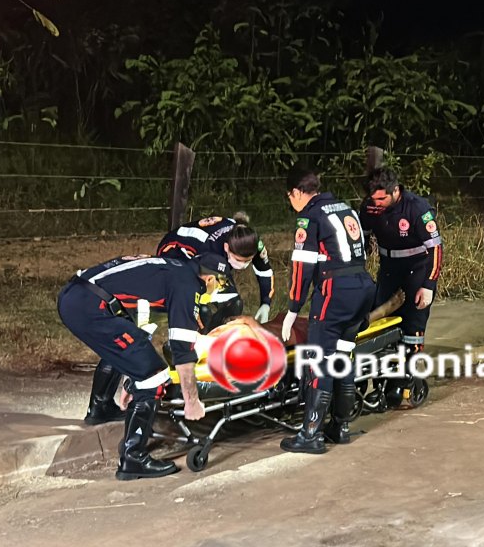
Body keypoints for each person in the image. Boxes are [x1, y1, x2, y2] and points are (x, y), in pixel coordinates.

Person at [79, 214, 272, 425]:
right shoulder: (209, 251)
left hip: (198, 256)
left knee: (231, 303)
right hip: (175, 254)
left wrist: (266, 302)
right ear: (226, 248)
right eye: (239, 260)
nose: (243, 265)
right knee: (144, 326)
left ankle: (203, 354)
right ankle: (100, 404)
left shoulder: (249, 240)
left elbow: (263, 269)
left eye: (247, 260)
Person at [58, 254, 214, 480]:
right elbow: (182, 351)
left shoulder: (166, 269)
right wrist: (191, 401)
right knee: (154, 377)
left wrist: (131, 381)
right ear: (209, 278)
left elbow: (139, 334)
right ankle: (133, 458)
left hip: (76, 296)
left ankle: (100, 409)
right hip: (91, 307)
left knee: (133, 358)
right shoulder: (186, 286)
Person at [279, 165, 376, 453]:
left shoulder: (309, 217)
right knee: (342, 355)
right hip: (363, 287)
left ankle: (311, 434)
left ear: (297, 192)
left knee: (319, 359)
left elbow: (302, 267)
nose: (292, 203)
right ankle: (340, 427)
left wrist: (293, 309)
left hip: (336, 291)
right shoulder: (345, 208)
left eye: (290, 197)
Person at [359, 167, 444, 407]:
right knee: (382, 327)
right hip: (388, 269)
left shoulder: (417, 208)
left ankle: (408, 381)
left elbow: (436, 249)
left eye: (382, 199)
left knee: (411, 327)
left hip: (417, 270)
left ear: (395, 190)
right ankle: (382, 383)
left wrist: (429, 285)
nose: (377, 204)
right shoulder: (370, 207)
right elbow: (360, 239)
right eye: (374, 199)